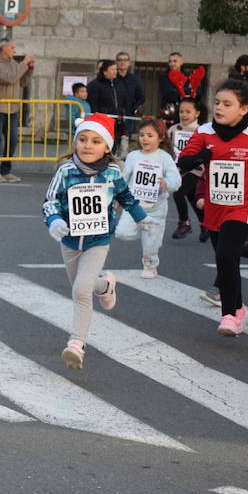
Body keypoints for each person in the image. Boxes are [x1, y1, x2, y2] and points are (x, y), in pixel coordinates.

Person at [176, 81, 248, 336]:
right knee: (226, 257)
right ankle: (241, 293)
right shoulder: (204, 131)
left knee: (225, 256)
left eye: (227, 104)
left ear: (243, 109)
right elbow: (184, 160)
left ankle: (229, 315)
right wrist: (199, 158)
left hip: (245, 205)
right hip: (215, 205)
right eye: (217, 102)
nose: (219, 107)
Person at [42, 113, 147, 368]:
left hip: (98, 240)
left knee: (80, 290)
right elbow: (50, 201)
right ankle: (106, 286)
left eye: (96, 141)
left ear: (107, 147)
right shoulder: (66, 171)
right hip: (69, 242)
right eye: (83, 139)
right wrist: (54, 220)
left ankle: (77, 344)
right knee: (85, 285)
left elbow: (127, 197)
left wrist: (142, 219)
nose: (88, 145)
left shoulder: (112, 173)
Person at [119, 118, 181, 278]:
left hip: (156, 209)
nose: (145, 139)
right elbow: (124, 177)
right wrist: (117, 198)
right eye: (141, 135)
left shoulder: (165, 158)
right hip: (134, 206)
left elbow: (176, 179)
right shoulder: (133, 156)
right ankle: (143, 230)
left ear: (160, 138)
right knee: (122, 233)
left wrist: (166, 183)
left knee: (150, 247)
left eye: (150, 135)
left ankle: (150, 266)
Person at [0, 39, 35, 182]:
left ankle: (6, 170)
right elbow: (10, 78)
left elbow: (22, 82)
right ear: (4, 49)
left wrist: (29, 70)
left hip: (12, 108)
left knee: (12, 140)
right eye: (12, 48)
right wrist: (24, 63)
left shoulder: (14, 64)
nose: (14, 50)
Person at [169, 98, 207, 241]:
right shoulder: (173, 129)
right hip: (177, 168)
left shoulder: (202, 130)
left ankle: (184, 223)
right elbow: (167, 148)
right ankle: (205, 224)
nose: (184, 115)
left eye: (188, 112)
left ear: (197, 113)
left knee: (178, 192)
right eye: (181, 112)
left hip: (196, 169)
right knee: (192, 197)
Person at [111, 51, 146, 149]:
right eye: (120, 60)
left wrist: (133, 109)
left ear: (129, 63)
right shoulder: (112, 78)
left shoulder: (134, 79)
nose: (122, 62)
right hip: (113, 115)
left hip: (129, 116)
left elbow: (141, 97)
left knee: (125, 142)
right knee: (112, 140)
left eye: (125, 60)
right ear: (116, 62)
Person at [159, 52, 206, 121]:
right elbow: (168, 93)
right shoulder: (164, 76)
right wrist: (187, 91)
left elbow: (197, 92)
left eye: (175, 61)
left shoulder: (189, 75)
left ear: (181, 62)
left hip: (187, 111)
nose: (172, 64)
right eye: (170, 61)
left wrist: (179, 91)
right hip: (170, 110)